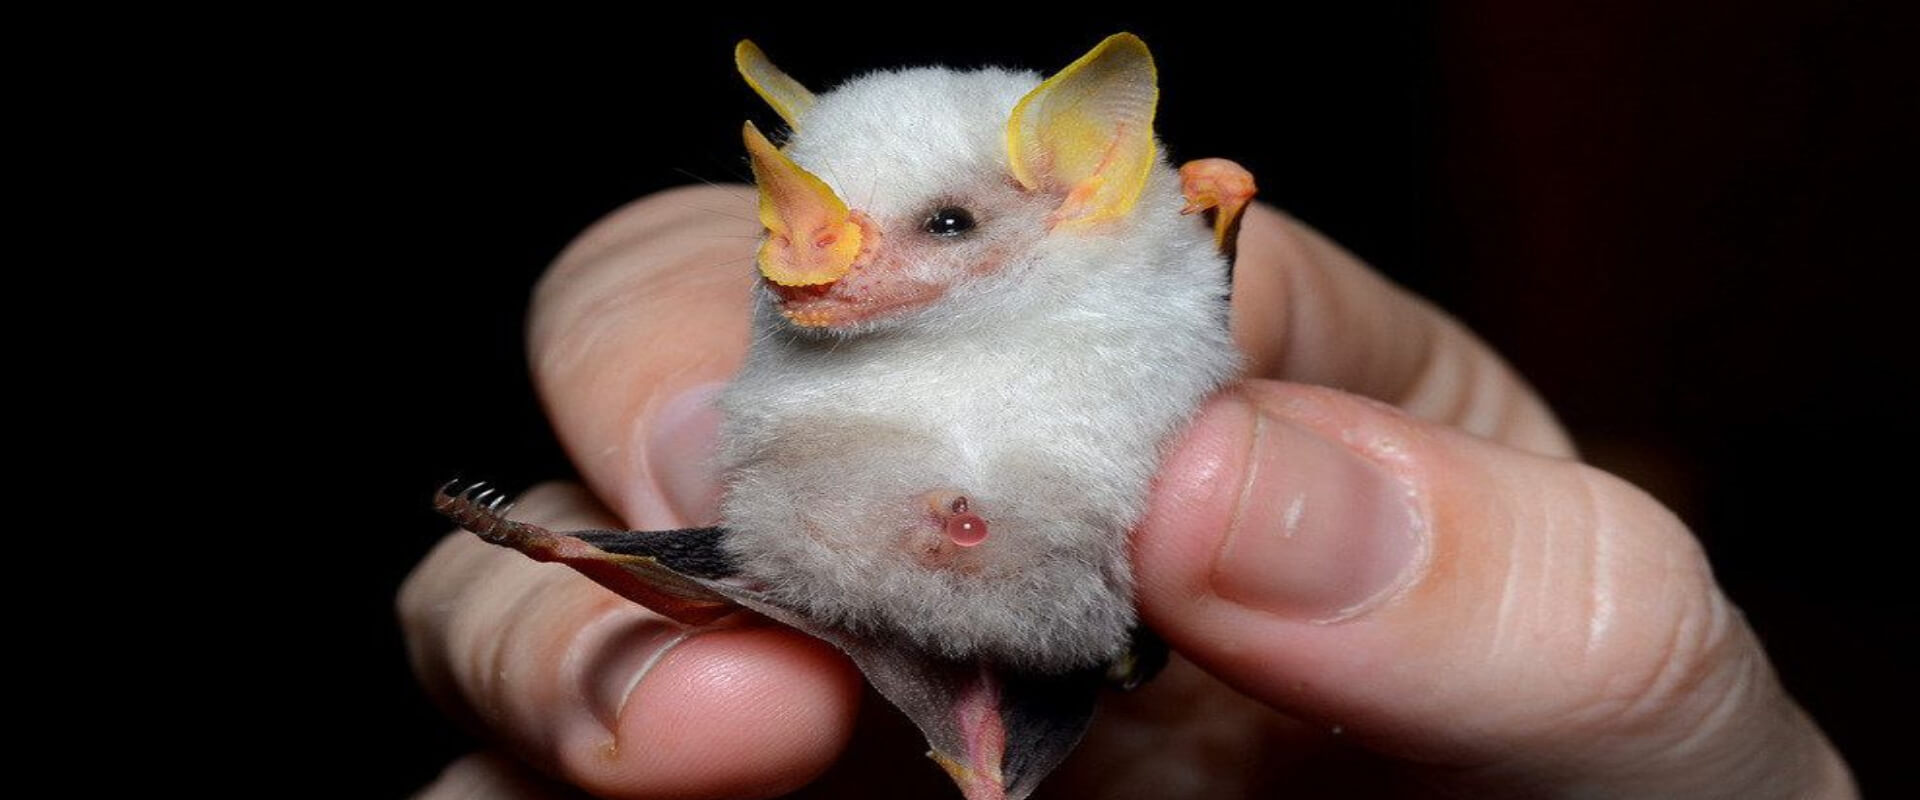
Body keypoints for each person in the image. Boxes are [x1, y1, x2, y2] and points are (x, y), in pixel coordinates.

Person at [398, 186, 1854, 798]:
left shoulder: (1132, 405)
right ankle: (544, 539)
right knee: (712, 578)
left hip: (1047, 608)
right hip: (861, 580)